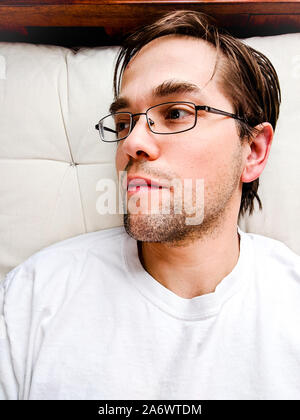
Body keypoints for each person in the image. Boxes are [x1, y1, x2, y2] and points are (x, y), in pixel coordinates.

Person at [1, 10, 300, 400]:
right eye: (124, 122)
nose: (131, 143)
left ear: (254, 151)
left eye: (176, 113)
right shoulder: (34, 296)